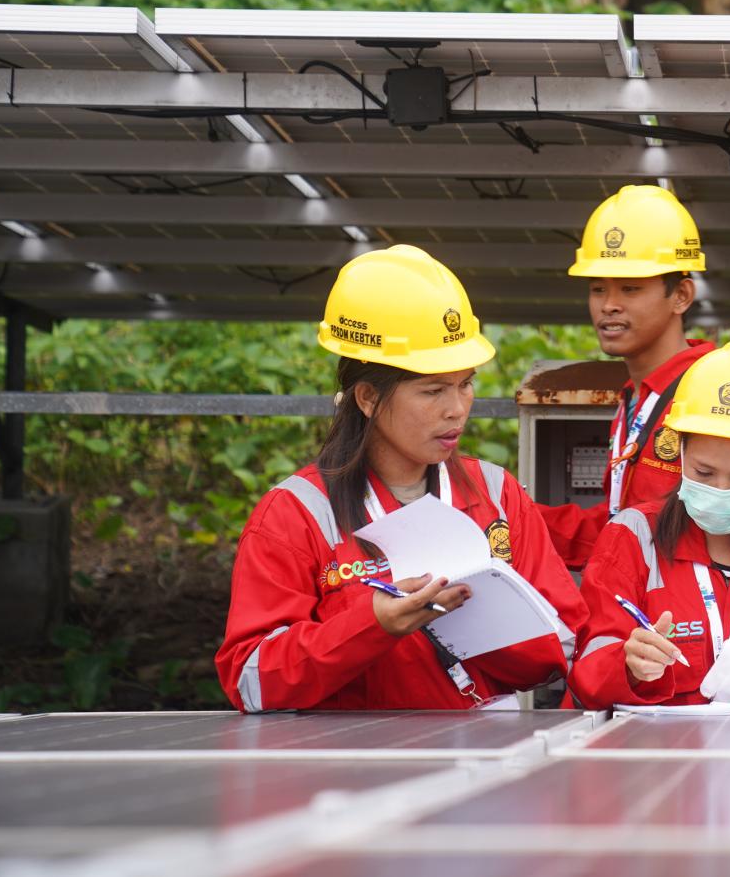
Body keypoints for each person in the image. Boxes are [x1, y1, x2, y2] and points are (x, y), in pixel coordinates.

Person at [216, 246, 586, 711]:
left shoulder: (495, 494)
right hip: (353, 773)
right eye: (433, 390)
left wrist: (479, 622)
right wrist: (372, 627)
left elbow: (567, 648)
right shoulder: (296, 514)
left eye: (466, 383)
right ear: (368, 397)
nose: (457, 408)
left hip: (486, 766)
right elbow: (251, 679)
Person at [570, 342, 730, 709]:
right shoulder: (633, 537)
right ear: (679, 451)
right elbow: (587, 678)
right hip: (659, 760)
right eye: (704, 472)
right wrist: (629, 664)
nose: (720, 490)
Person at [537, 184, 715, 569]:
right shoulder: (635, 398)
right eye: (598, 288)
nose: (609, 305)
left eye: (630, 288)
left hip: (689, 623)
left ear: (681, 295)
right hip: (634, 612)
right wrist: (510, 513)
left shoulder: (714, 391)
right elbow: (618, 526)